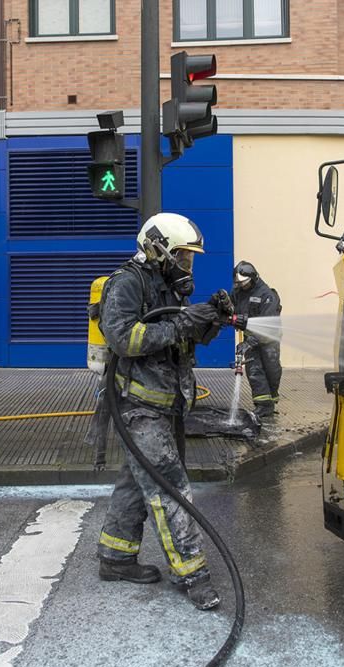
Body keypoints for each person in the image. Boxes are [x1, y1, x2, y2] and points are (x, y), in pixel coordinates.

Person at [97, 212, 222, 611]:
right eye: (183, 257)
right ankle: (193, 573)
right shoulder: (127, 283)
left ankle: (115, 558)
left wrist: (210, 318)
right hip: (138, 407)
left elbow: (179, 338)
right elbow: (123, 338)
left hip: (166, 404)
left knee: (137, 483)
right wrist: (183, 326)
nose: (188, 265)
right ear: (158, 248)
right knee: (170, 488)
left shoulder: (167, 287)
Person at [231, 261, 282, 418]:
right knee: (254, 370)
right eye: (238, 283)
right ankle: (263, 405)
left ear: (253, 278)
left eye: (244, 283)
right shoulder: (238, 292)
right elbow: (231, 306)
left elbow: (267, 324)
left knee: (272, 370)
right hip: (250, 338)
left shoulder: (267, 295)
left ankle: (271, 399)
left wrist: (249, 342)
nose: (241, 286)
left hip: (268, 339)